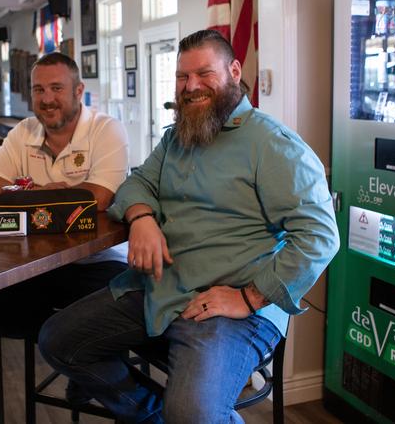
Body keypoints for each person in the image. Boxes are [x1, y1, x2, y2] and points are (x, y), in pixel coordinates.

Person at [39, 29, 340, 423]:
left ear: (234, 71)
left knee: (194, 413)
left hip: (230, 308)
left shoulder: (273, 144)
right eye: (182, 77)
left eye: (203, 74)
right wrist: (142, 217)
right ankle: (152, 416)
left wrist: (248, 298)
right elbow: (136, 184)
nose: (190, 86)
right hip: (162, 289)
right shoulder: (178, 137)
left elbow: (319, 237)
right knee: (59, 342)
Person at [0, 52, 130, 337]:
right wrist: (40, 191)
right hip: (35, 261)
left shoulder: (107, 128)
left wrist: (20, 196)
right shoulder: (24, 131)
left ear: (79, 91)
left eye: (56, 88)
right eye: (39, 90)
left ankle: (93, 374)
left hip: (99, 260)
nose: (47, 99)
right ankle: (57, 357)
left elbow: (97, 200)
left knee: (87, 328)